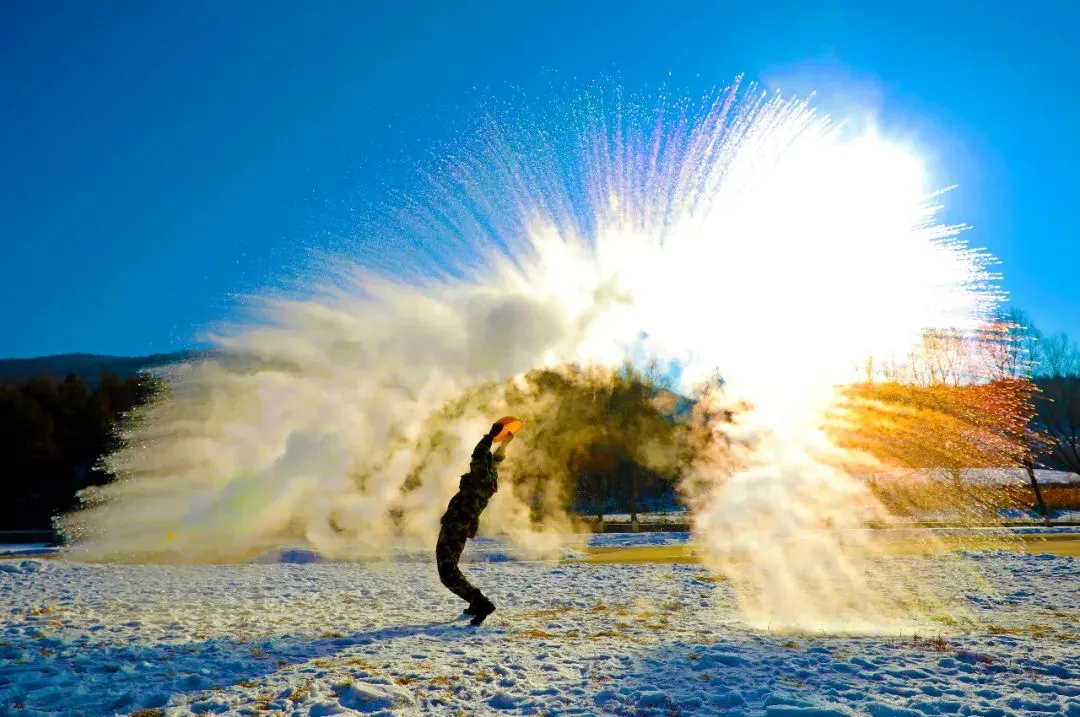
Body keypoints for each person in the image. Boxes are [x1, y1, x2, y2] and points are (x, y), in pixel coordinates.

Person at [436, 420, 514, 625]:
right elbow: (496, 460)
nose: (473, 465)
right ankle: (475, 601)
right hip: (460, 525)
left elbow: (479, 454)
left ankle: (481, 603)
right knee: (450, 569)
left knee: (447, 573)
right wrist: (504, 443)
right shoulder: (489, 477)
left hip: (455, 526)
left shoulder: (481, 477)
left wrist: (490, 436)